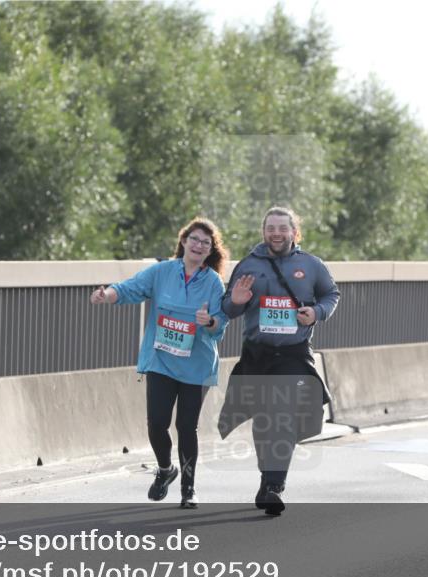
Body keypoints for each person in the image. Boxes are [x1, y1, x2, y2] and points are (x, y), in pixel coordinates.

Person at [91, 218, 229, 507]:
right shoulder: (163, 272)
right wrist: (108, 295)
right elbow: (131, 288)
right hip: (161, 361)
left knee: (186, 426)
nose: (198, 245)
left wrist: (210, 321)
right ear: (183, 241)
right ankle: (166, 470)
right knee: (156, 424)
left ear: (210, 251)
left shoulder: (214, 282)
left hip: (196, 364)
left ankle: (188, 489)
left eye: (206, 242)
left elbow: (220, 325)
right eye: (194, 239)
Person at [218, 206, 340, 515]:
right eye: (271, 227)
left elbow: (331, 294)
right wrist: (236, 301)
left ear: (294, 233)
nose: (276, 233)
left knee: (284, 416)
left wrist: (317, 313)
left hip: (292, 353)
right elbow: (228, 308)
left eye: (282, 228)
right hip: (257, 353)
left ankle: (274, 485)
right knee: (264, 420)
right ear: (264, 232)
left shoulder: (311, 265)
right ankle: (267, 477)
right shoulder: (248, 265)